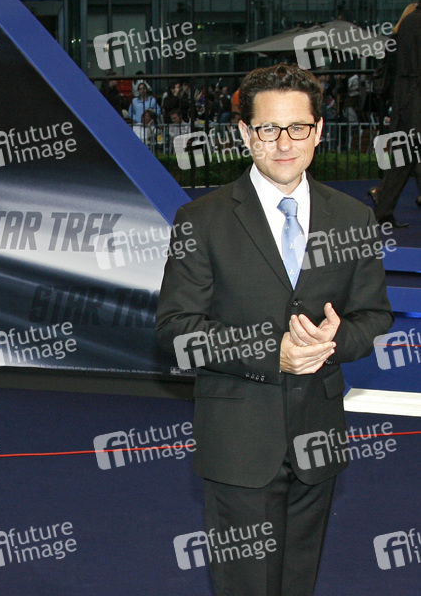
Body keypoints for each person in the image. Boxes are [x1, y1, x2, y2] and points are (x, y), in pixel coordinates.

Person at [156, 63, 393, 596]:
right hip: (238, 443)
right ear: (245, 133)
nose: (284, 143)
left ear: (319, 131)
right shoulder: (202, 219)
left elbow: (374, 317)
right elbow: (176, 330)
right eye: (268, 128)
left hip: (319, 439)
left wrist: (331, 343)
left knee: (298, 584)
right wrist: (273, 354)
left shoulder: (353, 218)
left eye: (298, 127)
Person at [369, 0, 421, 227]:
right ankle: (383, 206)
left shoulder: (406, 24)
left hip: (403, 99)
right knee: (408, 155)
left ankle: (383, 209)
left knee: (404, 157)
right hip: (415, 98)